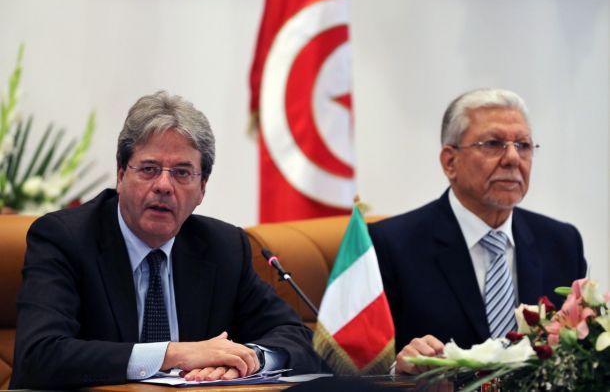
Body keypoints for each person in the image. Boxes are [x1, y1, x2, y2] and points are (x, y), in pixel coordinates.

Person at [10, 91, 323, 389]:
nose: (163, 185)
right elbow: (39, 355)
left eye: (182, 173)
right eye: (149, 169)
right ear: (121, 175)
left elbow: (298, 339)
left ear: (202, 188)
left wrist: (247, 359)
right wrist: (174, 354)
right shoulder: (65, 238)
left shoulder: (224, 247)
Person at [368, 88, 586, 375]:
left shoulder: (562, 242)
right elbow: (360, 365)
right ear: (450, 162)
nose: (512, 158)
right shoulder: (390, 245)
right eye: (493, 144)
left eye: (523, 145)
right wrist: (400, 370)